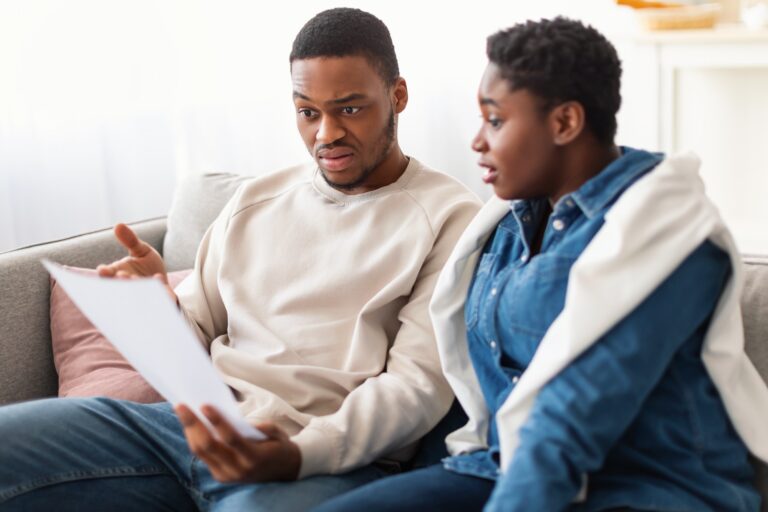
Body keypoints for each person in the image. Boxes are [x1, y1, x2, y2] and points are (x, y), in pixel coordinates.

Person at [0, 8, 481, 512]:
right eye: (308, 112)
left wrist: (296, 455)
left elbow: (417, 388)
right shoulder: (258, 200)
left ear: (397, 96)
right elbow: (194, 342)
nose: (326, 134)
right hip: (187, 430)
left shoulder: (452, 218)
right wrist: (155, 307)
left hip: (315, 459)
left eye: (350, 109)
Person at [313, 17, 768, 512]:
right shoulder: (506, 227)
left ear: (565, 123)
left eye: (496, 120)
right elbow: (487, 390)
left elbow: (572, 412)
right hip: (503, 466)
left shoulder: (671, 236)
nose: (477, 142)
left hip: (648, 487)